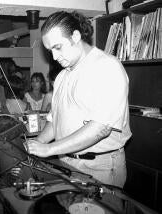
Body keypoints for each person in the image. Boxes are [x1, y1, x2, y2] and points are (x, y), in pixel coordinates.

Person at [26, 11, 132, 188]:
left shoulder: (107, 67)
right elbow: (55, 120)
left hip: (99, 167)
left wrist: (49, 149)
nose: (53, 57)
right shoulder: (61, 77)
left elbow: (99, 128)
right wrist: (38, 142)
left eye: (57, 47)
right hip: (67, 163)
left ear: (75, 36)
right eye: (50, 50)